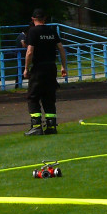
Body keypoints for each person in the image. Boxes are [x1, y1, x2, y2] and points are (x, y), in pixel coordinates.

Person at [23, 8, 68, 136]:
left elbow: (30, 51)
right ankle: (51, 125)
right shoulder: (52, 31)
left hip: (38, 68)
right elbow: (61, 49)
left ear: (33, 19)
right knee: (49, 97)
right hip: (51, 67)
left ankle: (36, 126)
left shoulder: (33, 31)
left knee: (33, 96)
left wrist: (26, 68)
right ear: (45, 18)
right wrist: (63, 66)